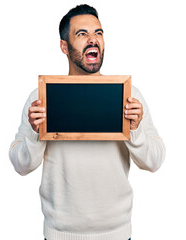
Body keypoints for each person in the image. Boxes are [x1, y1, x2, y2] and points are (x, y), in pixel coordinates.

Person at [9, 4, 165, 240]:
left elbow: (154, 161)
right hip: (60, 234)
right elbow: (21, 166)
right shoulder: (41, 98)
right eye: (82, 34)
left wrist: (135, 130)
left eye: (98, 33)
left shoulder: (129, 96)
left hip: (118, 234)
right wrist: (34, 132)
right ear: (64, 46)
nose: (93, 40)